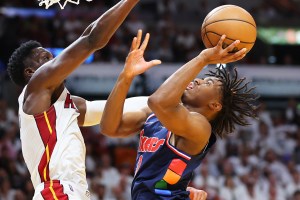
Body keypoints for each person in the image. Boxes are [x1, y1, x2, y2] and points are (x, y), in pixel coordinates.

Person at [6, 0, 144, 199]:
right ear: (31, 72)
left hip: (73, 190)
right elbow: (91, 39)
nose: (54, 61)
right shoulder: (36, 87)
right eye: (46, 59)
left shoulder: (69, 105)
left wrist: (175, 98)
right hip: (56, 190)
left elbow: (114, 108)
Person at [100, 30, 258, 199]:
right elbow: (109, 127)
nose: (198, 80)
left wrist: (203, 58)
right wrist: (125, 77)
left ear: (215, 105)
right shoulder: (155, 116)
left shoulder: (201, 127)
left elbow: (158, 100)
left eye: (207, 83)